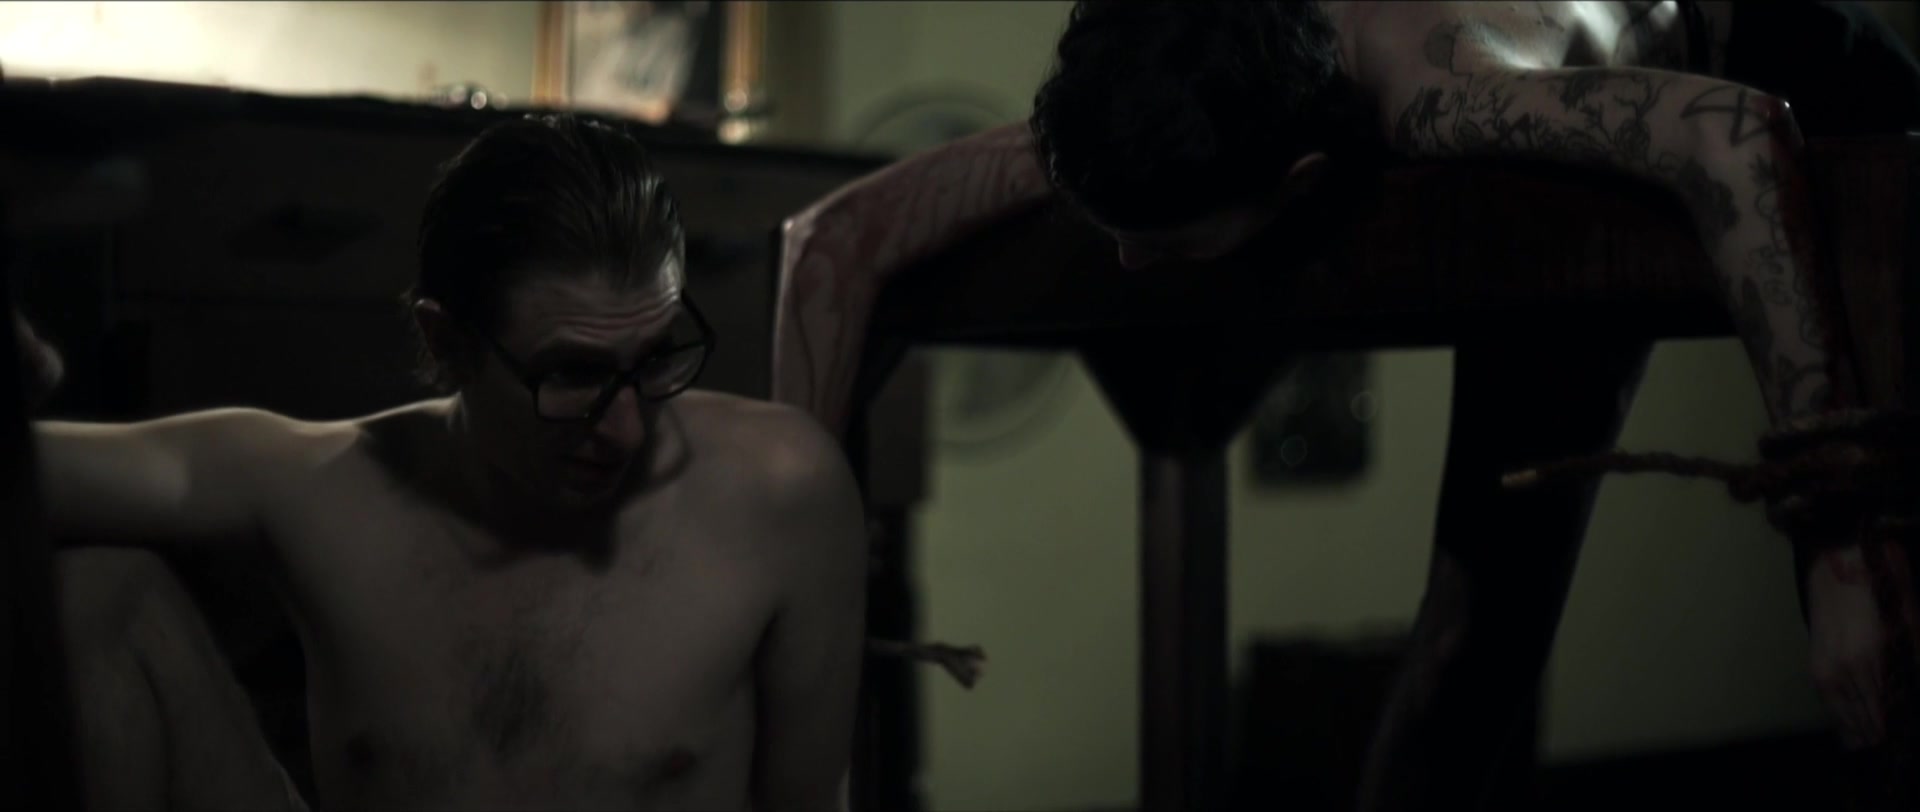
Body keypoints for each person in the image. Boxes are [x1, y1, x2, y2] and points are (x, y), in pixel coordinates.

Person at [771, 2, 1920, 808]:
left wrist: (1836, 545)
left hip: (1776, 50)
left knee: (1859, 610)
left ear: (1299, 183)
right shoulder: (1167, 79)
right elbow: (829, 235)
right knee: (1468, 637)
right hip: (1554, 122)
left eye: (1163, 241)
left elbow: (1736, 132)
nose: (1126, 264)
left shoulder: (1440, 93)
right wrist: (793, 579)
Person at [16, 112, 868, 811]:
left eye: (653, 361)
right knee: (99, 597)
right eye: (573, 374)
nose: (629, 429)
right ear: (448, 342)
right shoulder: (319, 485)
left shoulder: (784, 491)